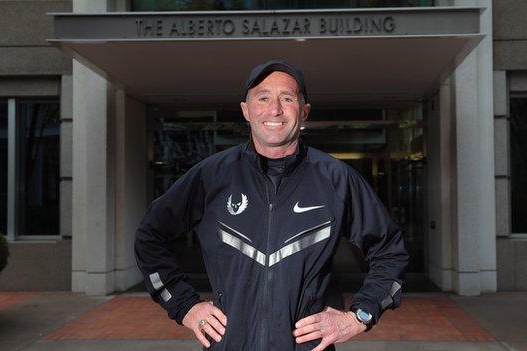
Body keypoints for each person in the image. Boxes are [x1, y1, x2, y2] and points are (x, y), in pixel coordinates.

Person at [135, 60, 409, 351]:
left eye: (287, 98)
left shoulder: (335, 179)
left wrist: (358, 316)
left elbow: (390, 251)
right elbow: (150, 237)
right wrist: (185, 306)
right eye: (263, 98)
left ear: (304, 111)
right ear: (246, 110)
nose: (274, 109)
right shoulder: (212, 176)